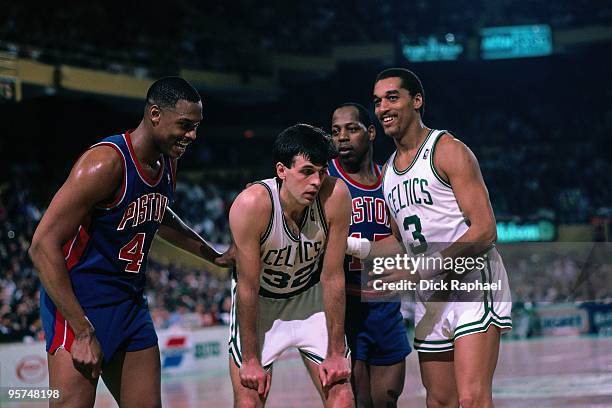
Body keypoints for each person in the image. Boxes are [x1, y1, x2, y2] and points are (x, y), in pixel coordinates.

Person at [29, 77, 228, 408]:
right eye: (185, 125)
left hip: (130, 304)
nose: (192, 135)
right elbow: (41, 246)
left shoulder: (168, 162)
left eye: (196, 127)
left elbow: (160, 214)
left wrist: (213, 255)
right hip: (81, 305)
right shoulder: (105, 163)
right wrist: (82, 331)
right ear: (154, 115)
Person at [347, 68, 512, 408]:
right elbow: (399, 243)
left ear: (417, 101)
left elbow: (484, 230)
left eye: (393, 97)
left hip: (471, 282)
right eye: (377, 101)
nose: (383, 107)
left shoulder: (447, 150)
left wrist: (421, 269)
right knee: (439, 401)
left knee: (472, 398)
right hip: (431, 294)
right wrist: (344, 245)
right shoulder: (389, 171)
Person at [228, 124, 354, 407]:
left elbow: (333, 277)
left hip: (310, 300)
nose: (316, 181)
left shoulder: (335, 197)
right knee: (249, 399)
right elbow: (246, 287)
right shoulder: (252, 205)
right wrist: (250, 360)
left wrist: (336, 351)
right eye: (307, 171)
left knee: (342, 396)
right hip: (262, 304)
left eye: (322, 172)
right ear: (282, 170)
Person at [328, 103, 410, 407]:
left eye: (352, 129)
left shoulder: (391, 181)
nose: (342, 138)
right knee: (357, 401)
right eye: (336, 132)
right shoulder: (324, 180)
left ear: (371, 132)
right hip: (346, 305)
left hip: (386, 303)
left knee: (387, 399)